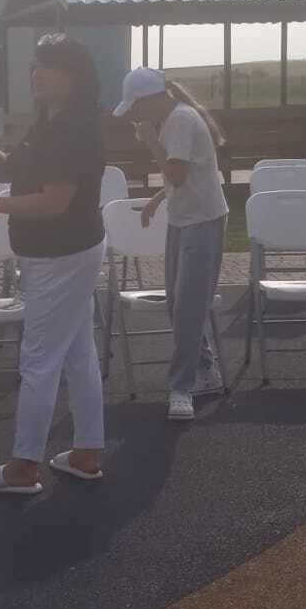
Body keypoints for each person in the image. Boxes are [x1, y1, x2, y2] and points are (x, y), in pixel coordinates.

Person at [0, 34, 107, 495]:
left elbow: (54, 202)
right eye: (35, 64)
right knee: (79, 353)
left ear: (74, 76)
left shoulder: (72, 129)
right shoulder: (49, 121)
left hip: (59, 255)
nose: (36, 73)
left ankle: (24, 465)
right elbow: (15, 171)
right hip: (68, 251)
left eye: (49, 65)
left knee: (39, 360)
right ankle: (86, 452)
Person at [121, 67, 230, 421]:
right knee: (179, 304)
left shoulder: (180, 121)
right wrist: (157, 199)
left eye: (135, 107)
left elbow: (178, 175)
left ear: (148, 100)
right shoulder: (174, 119)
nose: (134, 115)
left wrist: (150, 141)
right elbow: (186, 173)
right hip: (185, 219)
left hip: (202, 221)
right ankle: (205, 370)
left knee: (187, 307)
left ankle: (182, 387)